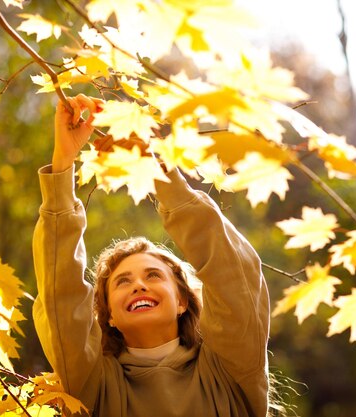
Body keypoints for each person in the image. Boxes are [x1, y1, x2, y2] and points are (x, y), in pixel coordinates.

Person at [32, 94, 271, 416]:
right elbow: (60, 295)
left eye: (153, 275)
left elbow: (234, 276)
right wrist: (62, 164)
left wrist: (157, 170)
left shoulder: (231, 367)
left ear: (183, 301)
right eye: (122, 282)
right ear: (109, 316)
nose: (139, 285)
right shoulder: (92, 384)